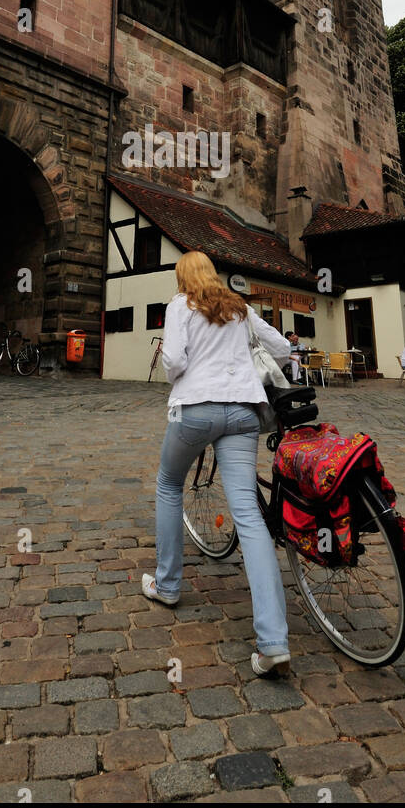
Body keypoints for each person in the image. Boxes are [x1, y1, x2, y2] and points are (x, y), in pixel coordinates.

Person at [147, 250, 295, 673]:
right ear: (213, 275)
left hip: (196, 410)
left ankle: (168, 584)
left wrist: (193, 371)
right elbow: (283, 348)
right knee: (248, 514)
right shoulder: (239, 308)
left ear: (182, 278)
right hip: (244, 412)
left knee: (168, 484)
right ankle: (273, 642)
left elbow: (174, 361)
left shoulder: (179, 305)